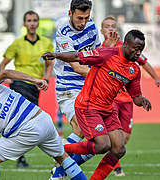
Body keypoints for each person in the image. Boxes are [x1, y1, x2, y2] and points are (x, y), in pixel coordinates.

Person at [42, 29, 152, 180]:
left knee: (119, 149)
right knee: (102, 145)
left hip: (108, 109)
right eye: (136, 48)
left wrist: (143, 100)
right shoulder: (107, 54)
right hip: (88, 106)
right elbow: (76, 56)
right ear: (126, 44)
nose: (138, 53)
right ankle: (61, 149)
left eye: (141, 50)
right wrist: (56, 55)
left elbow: (136, 97)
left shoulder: (134, 70)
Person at [100, 16, 160, 176]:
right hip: (111, 100)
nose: (110, 29)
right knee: (114, 138)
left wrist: (156, 77)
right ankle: (115, 167)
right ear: (101, 30)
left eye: (113, 26)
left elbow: (143, 62)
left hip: (128, 100)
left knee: (125, 138)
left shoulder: (128, 48)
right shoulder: (100, 49)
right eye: (107, 26)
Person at [52, 1, 101, 177]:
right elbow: (77, 67)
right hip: (68, 87)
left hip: (89, 86)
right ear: (70, 13)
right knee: (81, 129)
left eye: (86, 18)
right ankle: (59, 171)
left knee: (103, 140)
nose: (83, 22)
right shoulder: (63, 33)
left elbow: (98, 54)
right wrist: (105, 77)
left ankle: (61, 161)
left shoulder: (92, 26)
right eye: (79, 18)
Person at [0, 10, 54, 167]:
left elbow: (50, 63)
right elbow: (3, 64)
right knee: (24, 120)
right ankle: (19, 156)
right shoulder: (17, 43)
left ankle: (17, 153)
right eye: (29, 20)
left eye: (34, 20)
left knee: (28, 121)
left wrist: (46, 79)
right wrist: (7, 78)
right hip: (19, 84)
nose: (32, 23)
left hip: (35, 86)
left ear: (38, 23)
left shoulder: (46, 43)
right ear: (24, 23)